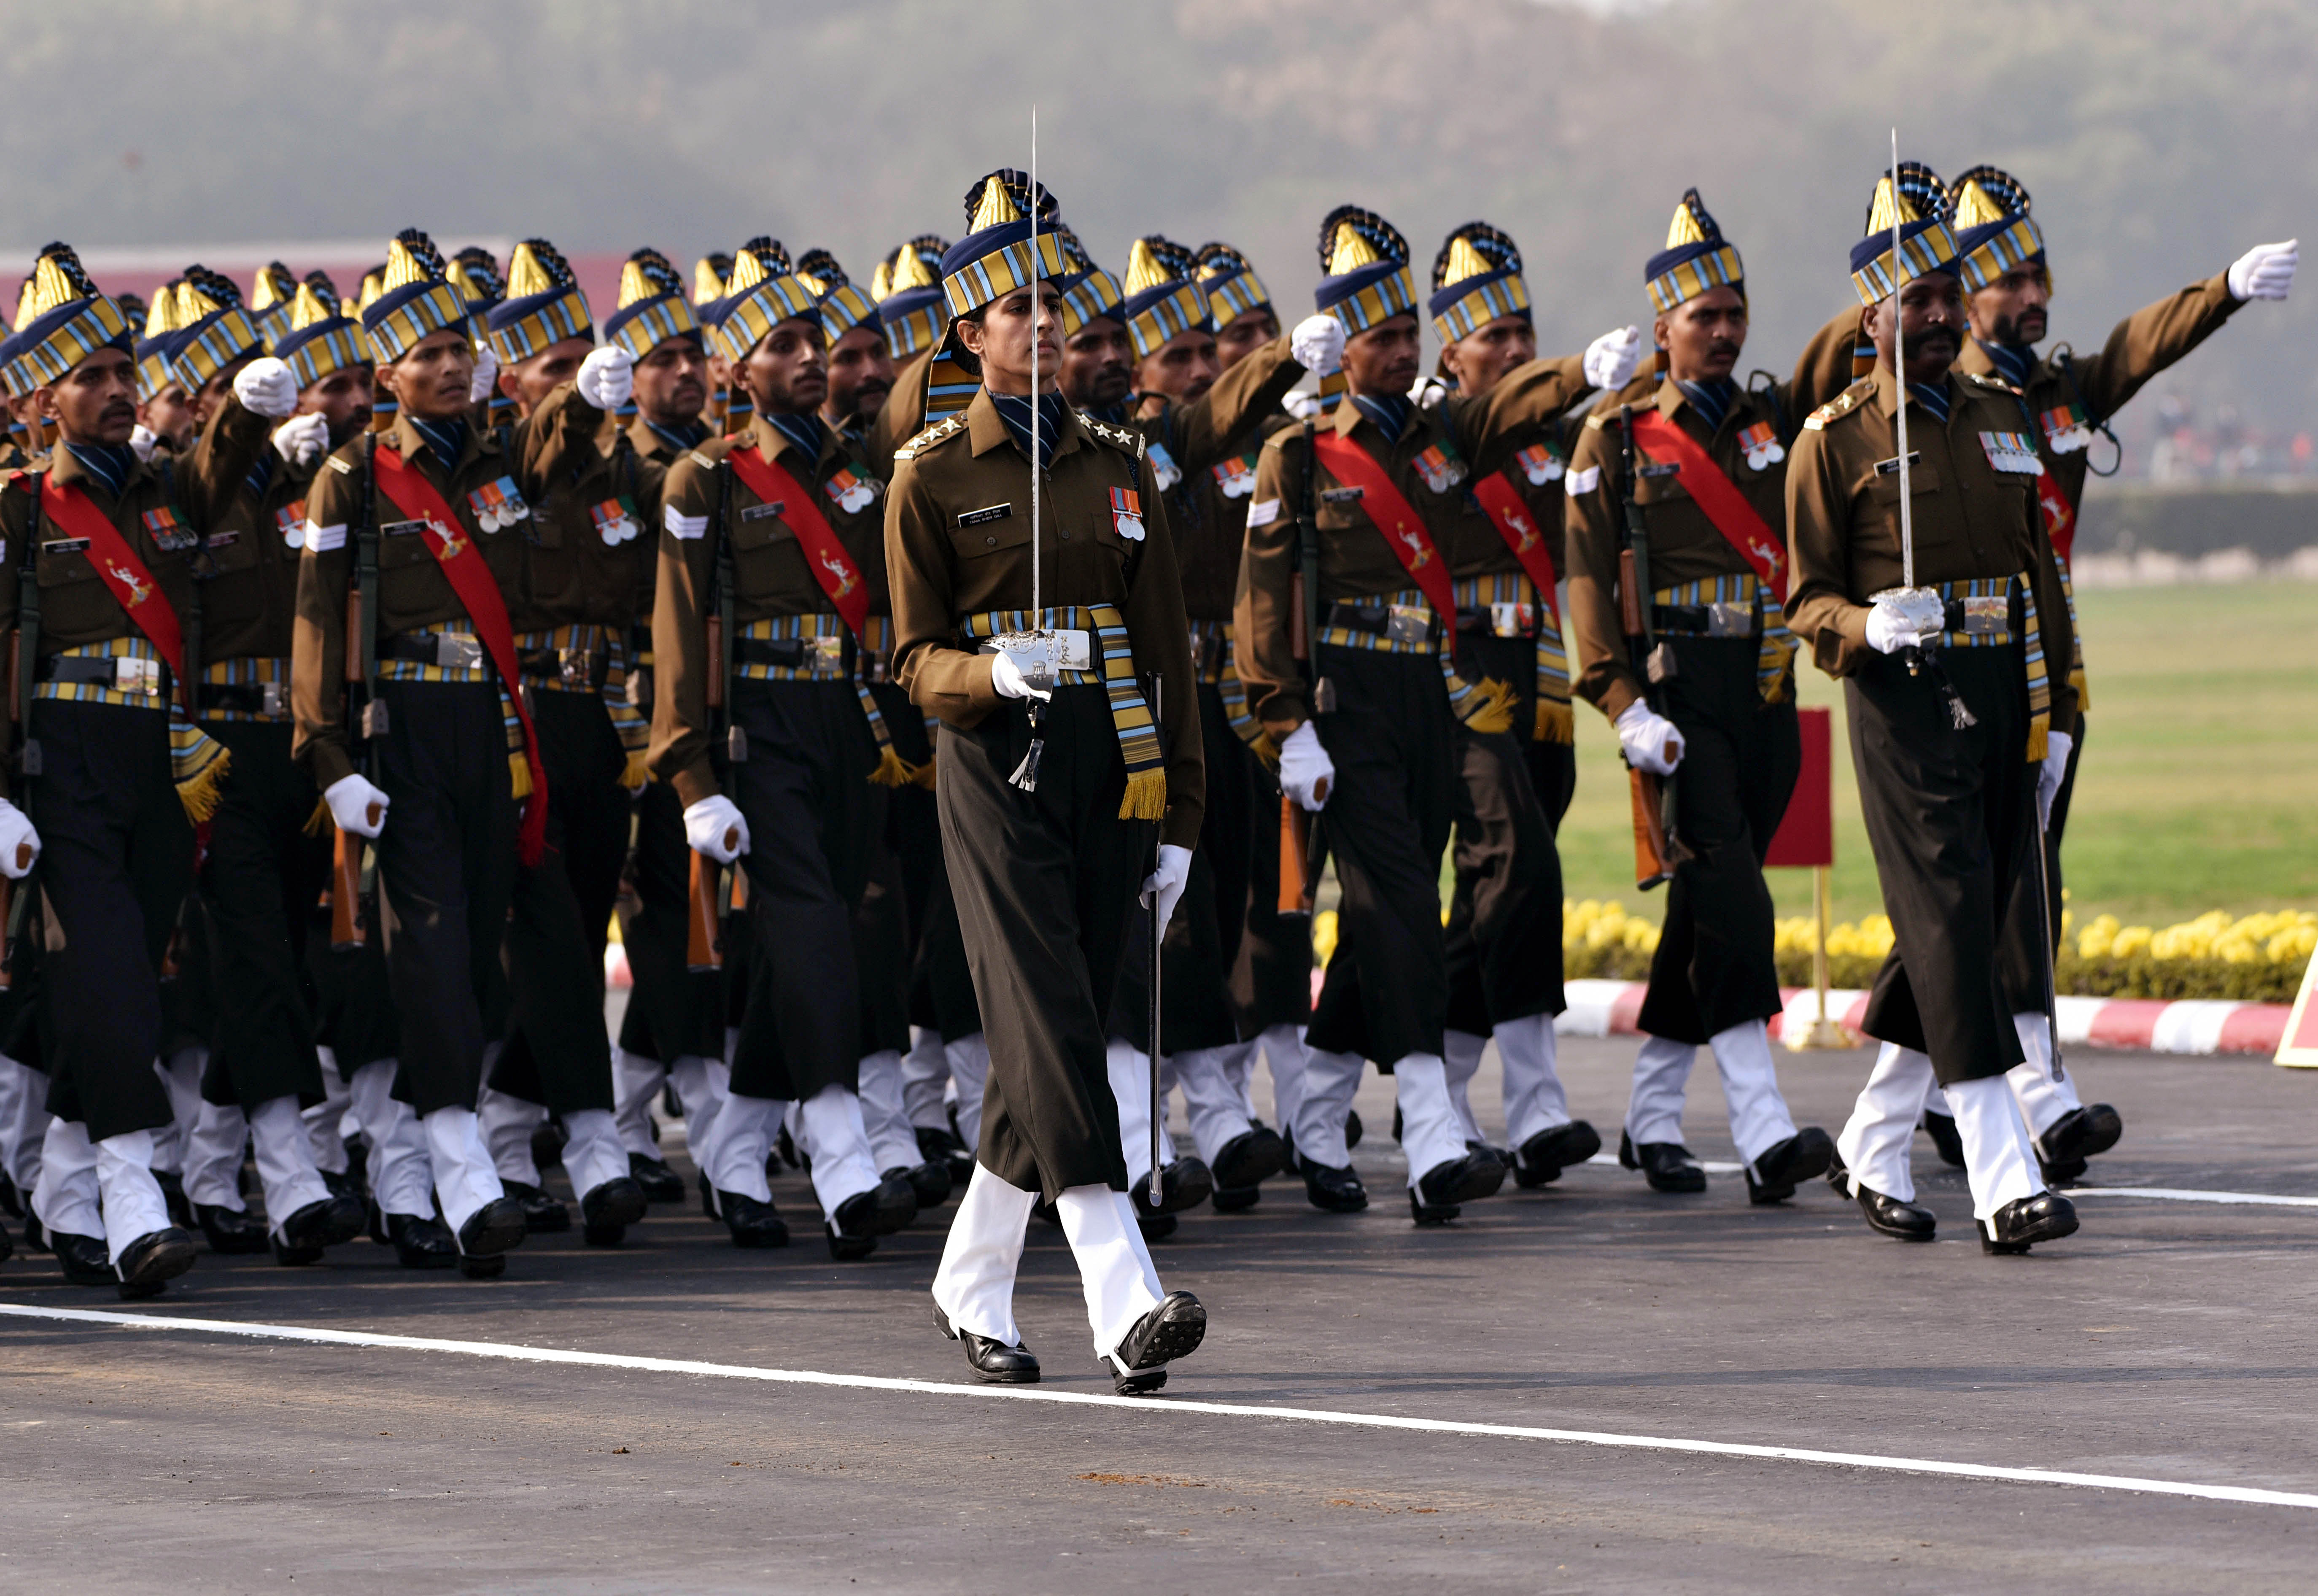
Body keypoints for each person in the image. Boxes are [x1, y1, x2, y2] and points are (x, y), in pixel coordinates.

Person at [1233, 205, 1636, 1223]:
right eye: (1382, 338)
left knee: (1388, 919)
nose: (1401, 350)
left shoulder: (1444, 437)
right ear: (1343, 345)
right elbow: (1261, 601)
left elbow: (1516, 403)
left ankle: (1319, 1116)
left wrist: (1583, 369)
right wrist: (1289, 726)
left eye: (1409, 333)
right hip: (1350, 703)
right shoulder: (1301, 452)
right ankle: (1432, 1131)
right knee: (1403, 901)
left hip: (1428, 693)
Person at [896, 170, 1207, 1393]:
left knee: (1056, 1027)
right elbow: (914, 659)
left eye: (1055, 304)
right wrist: (992, 672)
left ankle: (969, 1279)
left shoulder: (1121, 465)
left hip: (1114, 765)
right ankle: (1119, 1290)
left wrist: (1181, 813)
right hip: (993, 769)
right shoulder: (929, 475)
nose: (1044, 324)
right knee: (1052, 1016)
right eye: (1017, 307)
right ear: (971, 333)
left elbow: (1170, 650)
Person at [1932, 168, 2297, 1184]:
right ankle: (2036, 1093)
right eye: (2008, 279)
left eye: (2038, 273)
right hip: (1975, 673)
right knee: (2003, 882)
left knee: (2009, 879)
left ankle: (1934, 1094)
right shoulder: (1945, 395)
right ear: (1964, 295)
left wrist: (2221, 287)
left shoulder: (2056, 392)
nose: (2031, 294)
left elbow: (2143, 342)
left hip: (2058, 675)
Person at [293, 227, 622, 1277]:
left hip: (494, 727)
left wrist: (586, 395)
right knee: (432, 942)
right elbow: (314, 618)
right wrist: (327, 755)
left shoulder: (498, 463)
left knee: (475, 947)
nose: (445, 367)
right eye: (421, 353)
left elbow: (563, 446)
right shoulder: (351, 477)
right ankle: (461, 1167)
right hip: (403, 732)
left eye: (458, 350)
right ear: (384, 371)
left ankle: (417, 1165)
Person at [1788, 165, 2080, 1254]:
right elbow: (1806, 601)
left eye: (1950, 294)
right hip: (1907, 703)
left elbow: (2034, 575)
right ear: (1870, 311)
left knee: (1956, 923)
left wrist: (2053, 716)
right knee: (1957, 926)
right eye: (1913, 299)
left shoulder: (2002, 414)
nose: (1939, 314)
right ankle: (2006, 1179)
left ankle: (1870, 1141)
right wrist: (1870, 627)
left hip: (2005, 693)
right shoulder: (1835, 437)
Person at [0, 243, 289, 1295]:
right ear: (43, 394)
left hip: (159, 764)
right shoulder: (23, 506)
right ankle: (131, 1199)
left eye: (127, 373)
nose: (117, 393)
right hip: (60, 765)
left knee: (115, 987)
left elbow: (217, 474)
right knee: (110, 972)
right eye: (92, 377)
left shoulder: (166, 494)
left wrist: (248, 411)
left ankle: (64, 1187)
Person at [1563, 191, 1838, 1202]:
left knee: (1710, 902)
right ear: (1664, 326)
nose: (1723, 332)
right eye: (1702, 318)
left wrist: (1890, 262)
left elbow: (1854, 342)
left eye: (1734, 313)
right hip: (1676, 698)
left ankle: (1648, 1116)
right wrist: (1620, 701)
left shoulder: (1773, 419)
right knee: (1732, 892)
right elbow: (1584, 577)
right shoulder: (1621, 436)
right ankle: (1765, 1129)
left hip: (1766, 683)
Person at [650, 237, 920, 1258]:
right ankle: (847, 1162)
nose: (810, 359)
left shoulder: (857, 468)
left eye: (817, 342)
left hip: (844, 721)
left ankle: (733, 1148)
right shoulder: (706, 476)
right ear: (737, 373)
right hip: (754, 723)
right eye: (785, 344)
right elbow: (678, 627)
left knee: (826, 934)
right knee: (807, 921)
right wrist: (691, 774)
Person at [1103, 234, 1329, 1222]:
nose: (1201, 372)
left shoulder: (1242, 444)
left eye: (1212, 352)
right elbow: (1203, 425)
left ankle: (1213, 1117)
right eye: (1179, 356)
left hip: (1222, 702)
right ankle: (1158, 1128)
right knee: (1157, 920)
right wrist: (1269, 368)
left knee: (1232, 905)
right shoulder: (1125, 444)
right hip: (1134, 705)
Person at [173, 278, 377, 1265]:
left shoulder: (326, 483)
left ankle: (213, 1165)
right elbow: (210, 472)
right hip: (214, 751)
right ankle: (294, 1181)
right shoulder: (180, 484)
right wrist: (250, 441)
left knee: (286, 965)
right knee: (254, 956)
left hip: (303, 742)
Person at [466, 238, 654, 1246]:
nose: (583, 380)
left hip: (598, 718)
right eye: (555, 366)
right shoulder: (502, 466)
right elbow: (547, 451)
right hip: (520, 718)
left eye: (587, 359)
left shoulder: (622, 472)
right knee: (532, 938)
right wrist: (572, 405)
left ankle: (517, 1115)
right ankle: (551, 1139)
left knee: (578, 934)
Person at [1424, 221, 1599, 1189]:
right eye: (1494, 334)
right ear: (1451, 349)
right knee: (1518, 867)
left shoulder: (1551, 439)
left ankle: (1505, 1111)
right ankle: (1498, 1100)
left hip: (1540, 677)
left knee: (1498, 892)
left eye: (1525, 331)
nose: (1516, 350)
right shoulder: (1441, 431)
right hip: (1460, 678)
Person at [597, 249, 725, 1208]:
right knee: (664, 919)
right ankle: (670, 1117)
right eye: (662, 360)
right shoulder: (626, 466)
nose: (684, 373)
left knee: (686, 925)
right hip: (628, 726)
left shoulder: (718, 460)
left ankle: (616, 1107)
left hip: (701, 711)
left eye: (695, 356)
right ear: (626, 378)